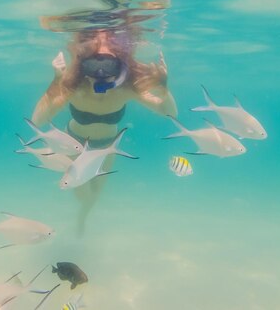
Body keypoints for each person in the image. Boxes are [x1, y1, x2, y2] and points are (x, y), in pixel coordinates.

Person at [32, 27, 178, 234]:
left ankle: (83, 216)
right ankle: (82, 214)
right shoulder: (75, 88)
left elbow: (168, 111)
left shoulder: (126, 89)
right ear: (83, 64)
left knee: (96, 193)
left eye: (109, 65)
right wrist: (54, 84)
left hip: (107, 147)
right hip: (74, 144)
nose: (100, 74)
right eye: (94, 64)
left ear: (120, 65)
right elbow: (38, 119)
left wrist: (164, 87)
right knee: (81, 191)